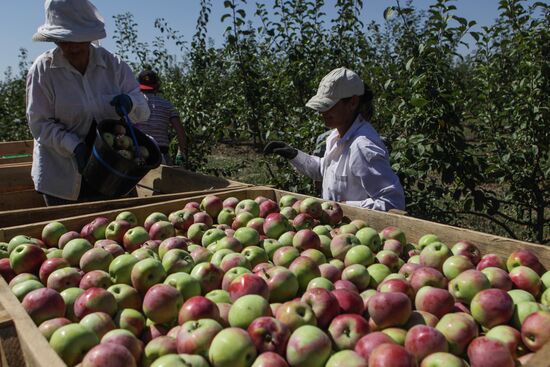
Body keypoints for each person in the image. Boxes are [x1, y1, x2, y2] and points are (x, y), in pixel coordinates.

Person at [26, 0, 150, 206]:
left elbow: (143, 110)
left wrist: (131, 103)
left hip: (114, 171)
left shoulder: (113, 66)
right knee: (69, 235)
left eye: (77, 39)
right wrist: (75, 147)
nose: (71, 47)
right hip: (62, 177)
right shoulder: (44, 71)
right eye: (63, 40)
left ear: (89, 36)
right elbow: (40, 124)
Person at [264, 67, 405, 211]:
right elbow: (324, 171)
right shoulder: (335, 135)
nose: (321, 112)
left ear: (352, 102)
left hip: (356, 229)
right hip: (338, 229)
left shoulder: (363, 147)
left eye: (328, 106)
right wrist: (294, 155)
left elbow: (393, 203)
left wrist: (344, 206)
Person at [135, 70, 186, 165]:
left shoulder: (134, 103)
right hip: (160, 153)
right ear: (157, 86)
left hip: (138, 151)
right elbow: (180, 132)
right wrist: (181, 152)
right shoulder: (168, 105)